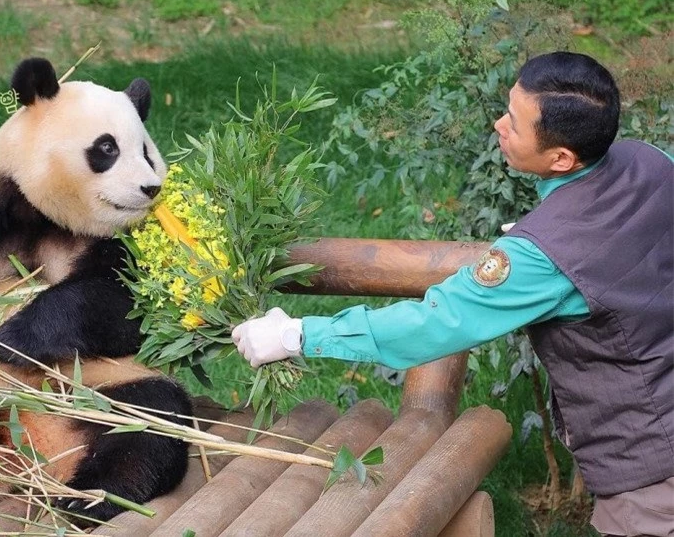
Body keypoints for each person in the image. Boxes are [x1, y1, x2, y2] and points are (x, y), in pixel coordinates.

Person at [232, 52, 674, 537]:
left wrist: (295, 334)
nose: (499, 124)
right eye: (508, 106)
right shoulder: (647, 160)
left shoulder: (539, 258)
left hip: (651, 470)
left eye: (516, 123)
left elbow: (434, 324)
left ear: (561, 159)